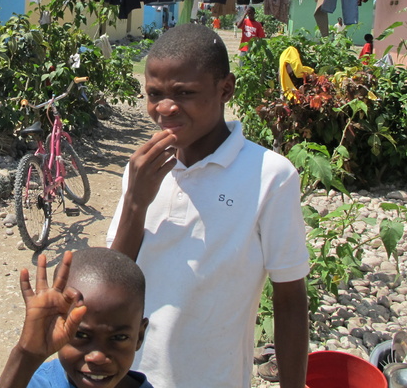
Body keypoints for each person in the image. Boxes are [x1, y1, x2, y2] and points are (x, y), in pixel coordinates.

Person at [107, 24, 309, 388]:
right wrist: (136, 203)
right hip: (129, 375)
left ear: (225, 89)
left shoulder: (270, 177)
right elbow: (114, 277)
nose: (165, 108)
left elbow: (290, 298)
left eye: (184, 93)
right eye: (154, 94)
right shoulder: (142, 169)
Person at [0, 248, 151, 388]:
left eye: (119, 337)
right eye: (80, 335)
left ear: (140, 336)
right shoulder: (37, 383)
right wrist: (27, 354)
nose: (97, 357)